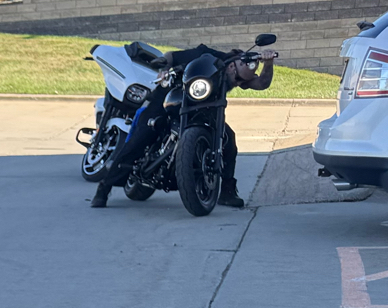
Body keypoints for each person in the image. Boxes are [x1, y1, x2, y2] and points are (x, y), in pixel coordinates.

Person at [91, 44, 276, 208]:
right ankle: (104, 188)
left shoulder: (239, 74)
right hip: (171, 98)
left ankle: (227, 191)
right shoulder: (206, 55)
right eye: (236, 77)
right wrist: (164, 66)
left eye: (240, 82)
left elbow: (261, 83)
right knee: (142, 135)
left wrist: (268, 63)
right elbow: (172, 56)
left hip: (206, 108)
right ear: (231, 65)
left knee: (229, 139)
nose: (237, 83)